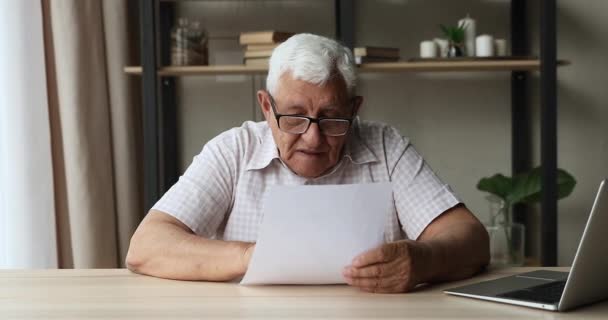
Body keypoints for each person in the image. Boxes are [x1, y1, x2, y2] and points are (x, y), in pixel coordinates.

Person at [126, 33, 489, 293]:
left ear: (354, 110)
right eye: (295, 117)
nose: (313, 139)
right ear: (267, 107)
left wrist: (425, 259)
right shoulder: (233, 150)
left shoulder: (386, 145)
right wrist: (258, 255)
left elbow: (471, 240)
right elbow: (147, 247)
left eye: (332, 118)